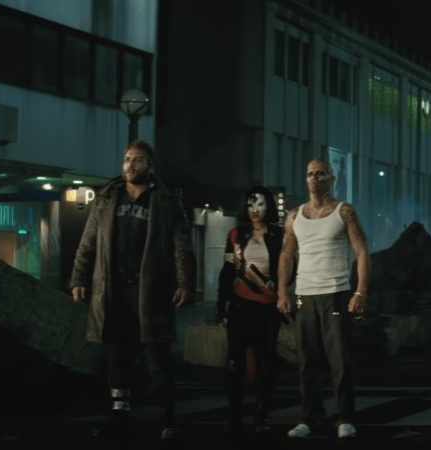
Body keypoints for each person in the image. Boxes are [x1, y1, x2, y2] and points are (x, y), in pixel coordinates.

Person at [69, 139, 195, 442]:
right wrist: (78, 279)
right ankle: (120, 418)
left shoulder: (166, 202)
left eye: (137, 160)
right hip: (113, 291)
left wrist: (185, 283)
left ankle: (168, 420)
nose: (130, 164)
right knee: (116, 359)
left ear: (150, 166)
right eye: (127, 159)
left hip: (149, 292)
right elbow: (88, 242)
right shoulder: (107, 198)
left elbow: (182, 248)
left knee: (157, 358)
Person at [276, 158, 370, 439]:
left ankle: (343, 418)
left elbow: (362, 252)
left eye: (321, 173)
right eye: (310, 174)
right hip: (305, 295)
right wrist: (282, 292)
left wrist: (360, 291)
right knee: (307, 361)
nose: (315, 178)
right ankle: (309, 418)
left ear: (331, 179)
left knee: (339, 360)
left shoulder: (344, 212)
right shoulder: (294, 215)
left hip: (336, 293)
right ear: (306, 179)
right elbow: (287, 254)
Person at [215, 186, 291, 436]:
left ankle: (261, 416)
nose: (255, 210)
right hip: (240, 304)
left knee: (267, 361)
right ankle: (234, 417)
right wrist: (221, 305)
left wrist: (280, 290)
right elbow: (227, 270)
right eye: (250, 205)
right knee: (234, 362)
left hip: (268, 307)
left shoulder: (280, 235)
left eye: (260, 204)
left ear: (269, 206)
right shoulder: (236, 234)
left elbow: (290, 268)